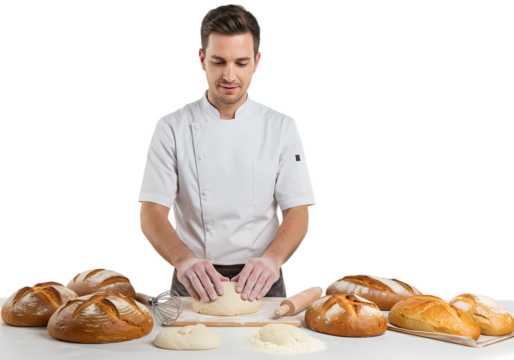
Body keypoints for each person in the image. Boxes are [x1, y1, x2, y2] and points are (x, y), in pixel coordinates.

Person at [136, 4, 317, 304]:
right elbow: (151, 211)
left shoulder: (283, 126)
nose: (229, 76)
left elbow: (299, 211)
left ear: (257, 62)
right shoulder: (170, 126)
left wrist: (272, 260)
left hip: (262, 279)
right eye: (218, 62)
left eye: (241, 63)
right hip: (192, 278)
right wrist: (184, 261)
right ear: (201, 59)